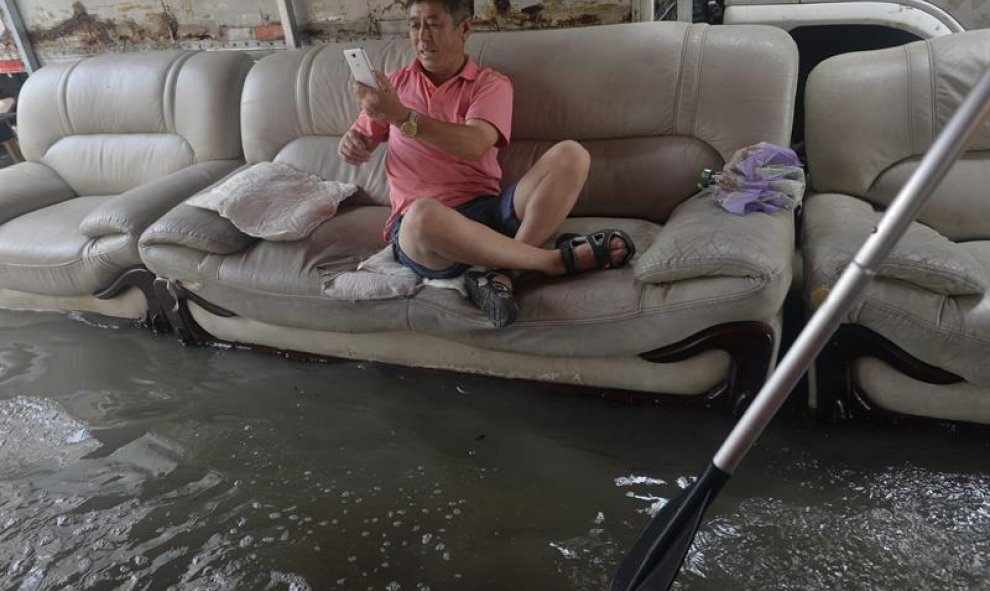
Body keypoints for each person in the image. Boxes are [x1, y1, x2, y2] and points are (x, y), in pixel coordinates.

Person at [338, 0, 634, 327]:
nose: (421, 36)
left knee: (572, 155)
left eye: (433, 23)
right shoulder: (394, 87)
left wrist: (402, 117)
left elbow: (474, 144)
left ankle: (504, 273)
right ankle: (549, 262)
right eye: (413, 24)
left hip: (487, 212)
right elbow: (362, 136)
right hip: (425, 234)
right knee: (422, 214)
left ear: (464, 29)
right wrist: (353, 144)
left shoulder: (490, 84)